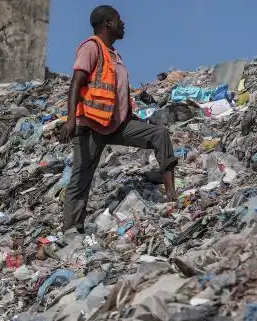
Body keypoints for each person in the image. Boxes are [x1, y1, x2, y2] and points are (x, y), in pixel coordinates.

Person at [60, 5, 179, 233]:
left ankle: (171, 194)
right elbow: (76, 82)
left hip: (117, 124)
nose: (123, 23)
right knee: (81, 178)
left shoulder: (115, 55)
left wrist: (128, 114)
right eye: (118, 19)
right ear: (108, 23)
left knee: (159, 133)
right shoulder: (91, 47)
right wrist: (70, 119)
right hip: (91, 126)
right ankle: (71, 230)